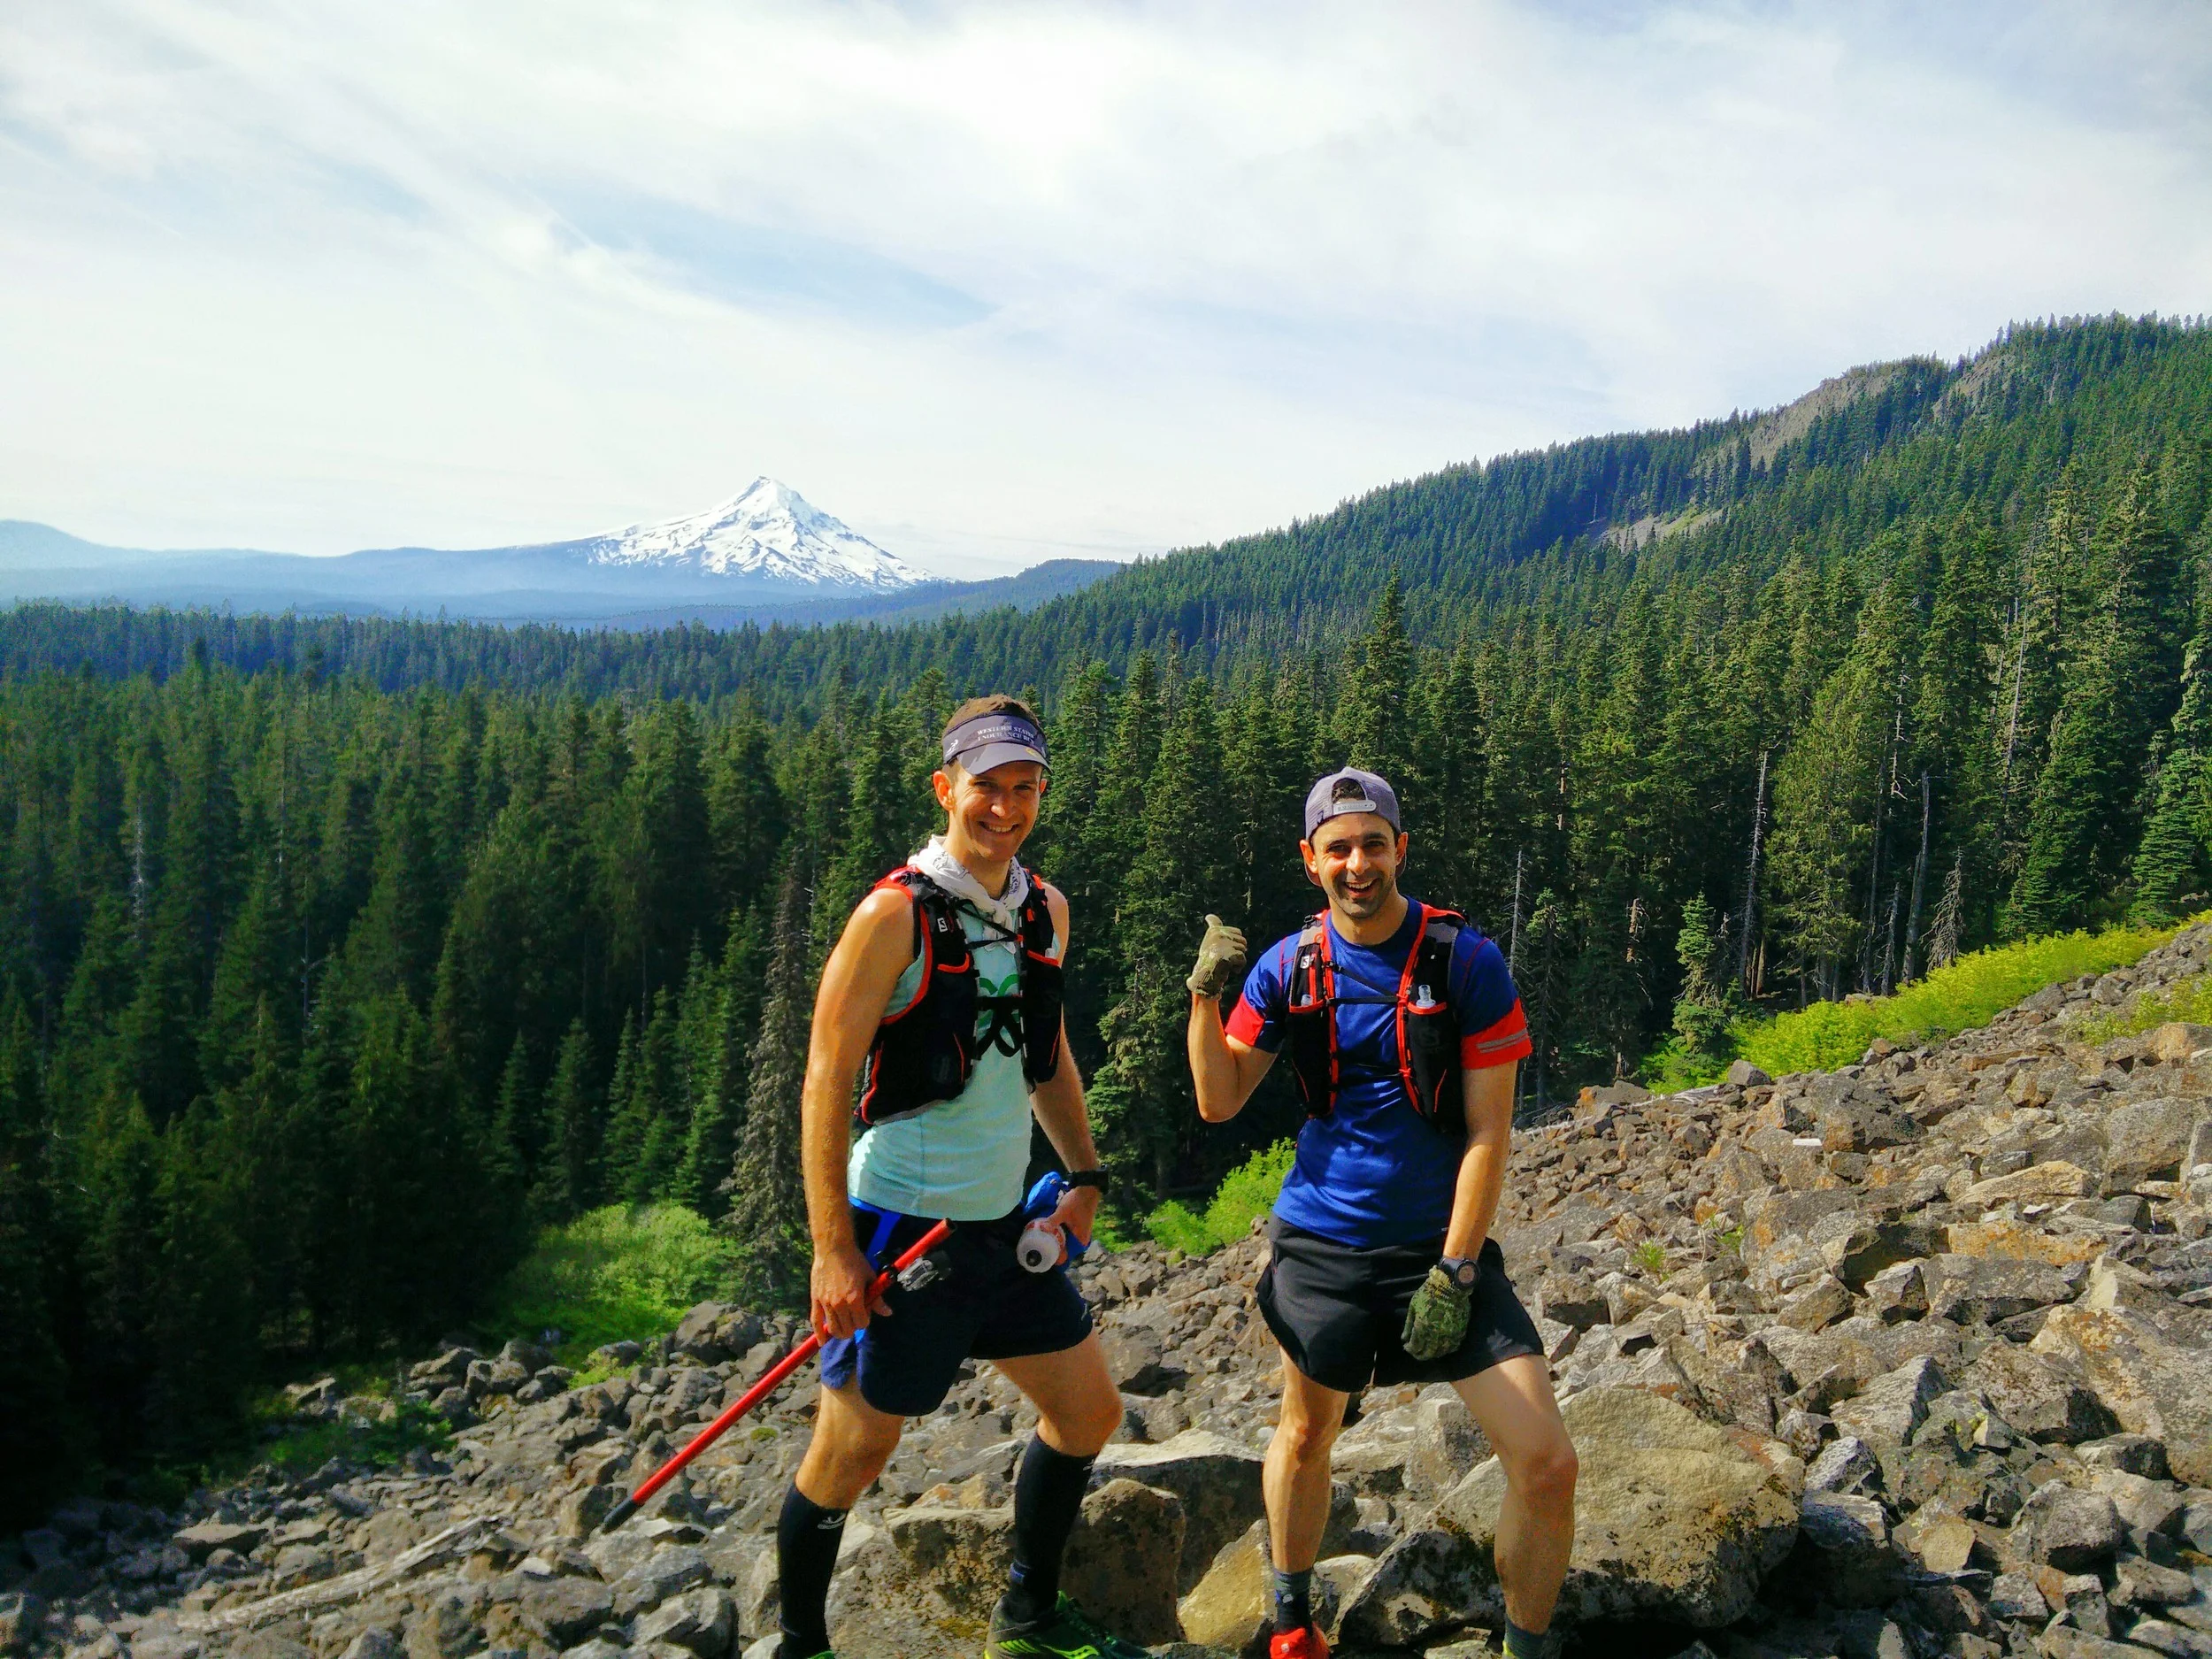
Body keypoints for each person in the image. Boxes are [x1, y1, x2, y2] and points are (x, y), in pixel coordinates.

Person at [772, 695, 1148, 1659]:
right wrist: (832, 1250)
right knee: (854, 1450)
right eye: (987, 787)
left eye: (1026, 789)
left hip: (998, 1225)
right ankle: (803, 1644)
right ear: (946, 788)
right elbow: (823, 1082)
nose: (1006, 808)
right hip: (900, 1225)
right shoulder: (891, 915)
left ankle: (1026, 1618)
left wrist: (1085, 1172)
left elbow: (1045, 1051)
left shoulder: (1042, 911)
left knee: (1088, 1411)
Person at [1185, 768, 1579, 1659]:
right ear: (1310, 861)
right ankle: (1291, 1621)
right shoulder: (1290, 968)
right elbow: (1217, 1097)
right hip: (1322, 1239)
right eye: (1338, 849)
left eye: (1372, 844)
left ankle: (1525, 1643)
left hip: (1438, 1249)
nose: (1356, 864)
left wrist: (1458, 1264)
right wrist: (1206, 995)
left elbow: (1488, 1133)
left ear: (1400, 848)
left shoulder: (1463, 961)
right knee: (1308, 1431)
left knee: (1547, 1463)